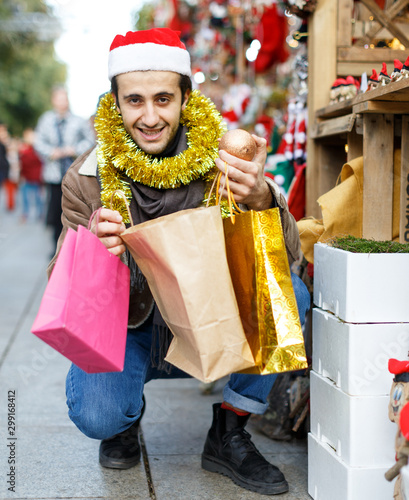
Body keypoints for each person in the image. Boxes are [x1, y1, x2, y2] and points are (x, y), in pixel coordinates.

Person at [47, 28, 310, 496]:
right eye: (135, 101)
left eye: (164, 99)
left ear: (186, 99)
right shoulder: (85, 178)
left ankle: (229, 430)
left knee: (293, 292)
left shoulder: (223, 160)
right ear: (116, 103)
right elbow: (60, 292)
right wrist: (91, 247)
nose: (149, 117)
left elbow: (288, 260)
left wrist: (261, 198)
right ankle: (124, 421)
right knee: (98, 414)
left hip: (210, 321)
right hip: (132, 327)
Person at [34, 86, 95, 246]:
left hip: (73, 175)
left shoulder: (78, 121)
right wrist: (51, 152)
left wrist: (73, 150)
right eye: (59, 99)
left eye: (64, 98)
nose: (62, 102)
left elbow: (90, 141)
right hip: (53, 175)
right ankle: (56, 247)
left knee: (74, 213)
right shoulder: (45, 120)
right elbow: (38, 142)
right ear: (53, 100)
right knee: (54, 213)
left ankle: (73, 246)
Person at [19, 128, 44, 222]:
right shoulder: (24, 150)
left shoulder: (39, 150)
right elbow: (22, 165)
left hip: (37, 178)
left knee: (38, 198)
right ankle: (25, 214)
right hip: (27, 178)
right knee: (26, 198)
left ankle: (40, 214)